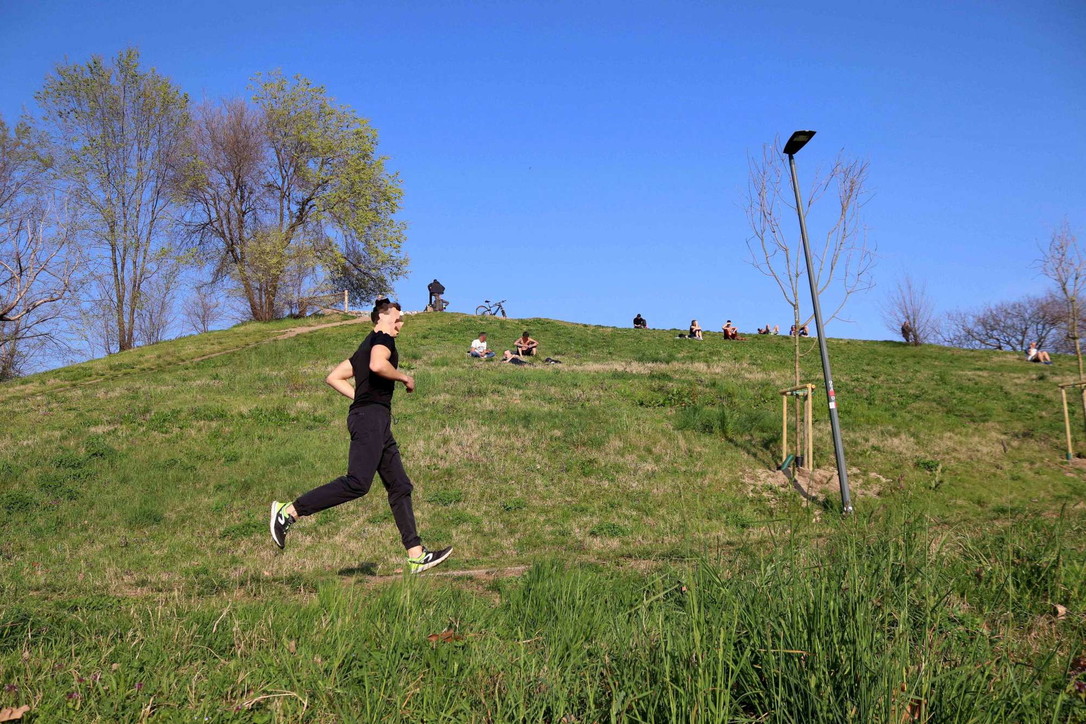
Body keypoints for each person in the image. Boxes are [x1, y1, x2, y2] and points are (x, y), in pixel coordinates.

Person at [269, 298, 452, 574]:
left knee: (400, 485)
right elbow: (379, 366)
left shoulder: (365, 346)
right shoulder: (382, 338)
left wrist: (361, 399)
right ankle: (289, 512)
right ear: (383, 317)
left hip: (374, 418)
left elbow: (334, 377)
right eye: (398, 318)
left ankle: (416, 554)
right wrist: (404, 378)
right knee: (357, 483)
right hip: (371, 420)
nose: (400, 323)